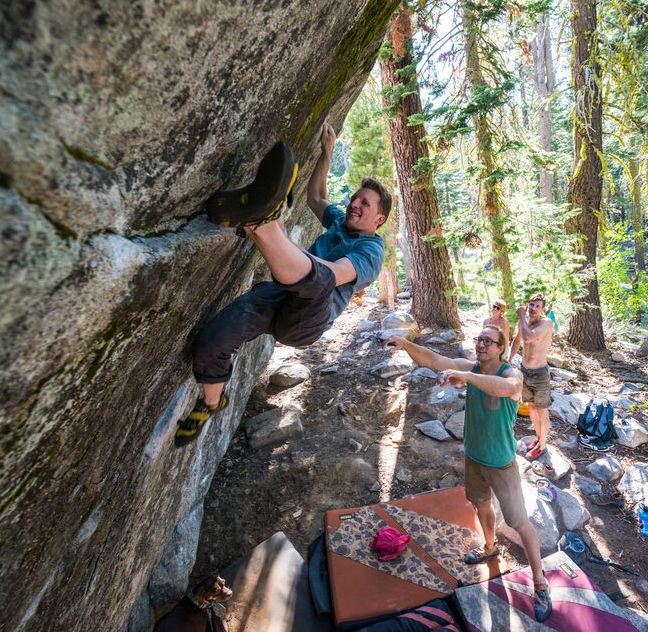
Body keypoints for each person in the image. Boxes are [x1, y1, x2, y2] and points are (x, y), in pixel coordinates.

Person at [178, 123, 391, 446]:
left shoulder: (371, 250)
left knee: (319, 281)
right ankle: (211, 402)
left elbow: (333, 274)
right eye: (355, 198)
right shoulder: (338, 222)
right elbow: (317, 196)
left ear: (379, 220)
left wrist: (287, 249)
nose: (355, 205)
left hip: (306, 320)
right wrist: (327, 152)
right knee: (212, 339)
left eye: (365, 204)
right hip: (279, 295)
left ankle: (263, 224)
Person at [384, 326, 553, 622]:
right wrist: (405, 344)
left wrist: (467, 378)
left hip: (501, 463)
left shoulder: (509, 373)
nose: (482, 345)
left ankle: (540, 582)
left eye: (489, 341)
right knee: (481, 504)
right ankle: (490, 547)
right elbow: (434, 359)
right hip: (474, 458)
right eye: (479, 340)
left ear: (500, 348)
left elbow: (509, 390)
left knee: (519, 522)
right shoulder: (471, 367)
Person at [509, 294, 554, 462]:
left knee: (542, 410)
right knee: (532, 407)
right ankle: (538, 438)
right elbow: (518, 340)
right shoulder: (526, 321)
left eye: (538, 306)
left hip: (540, 373)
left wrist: (521, 315)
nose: (534, 308)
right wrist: (508, 359)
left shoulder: (546, 323)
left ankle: (542, 446)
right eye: (532, 305)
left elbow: (528, 337)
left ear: (542, 309)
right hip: (525, 371)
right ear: (527, 305)